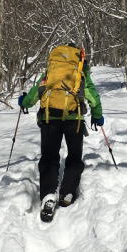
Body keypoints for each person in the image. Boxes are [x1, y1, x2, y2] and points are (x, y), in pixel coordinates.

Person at [18, 43, 103, 222]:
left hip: (50, 118)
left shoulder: (51, 71)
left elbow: (37, 91)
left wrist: (24, 102)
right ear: (79, 57)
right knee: (74, 157)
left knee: (49, 158)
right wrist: (97, 116)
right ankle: (67, 193)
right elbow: (92, 95)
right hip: (74, 120)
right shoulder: (80, 71)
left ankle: (48, 195)